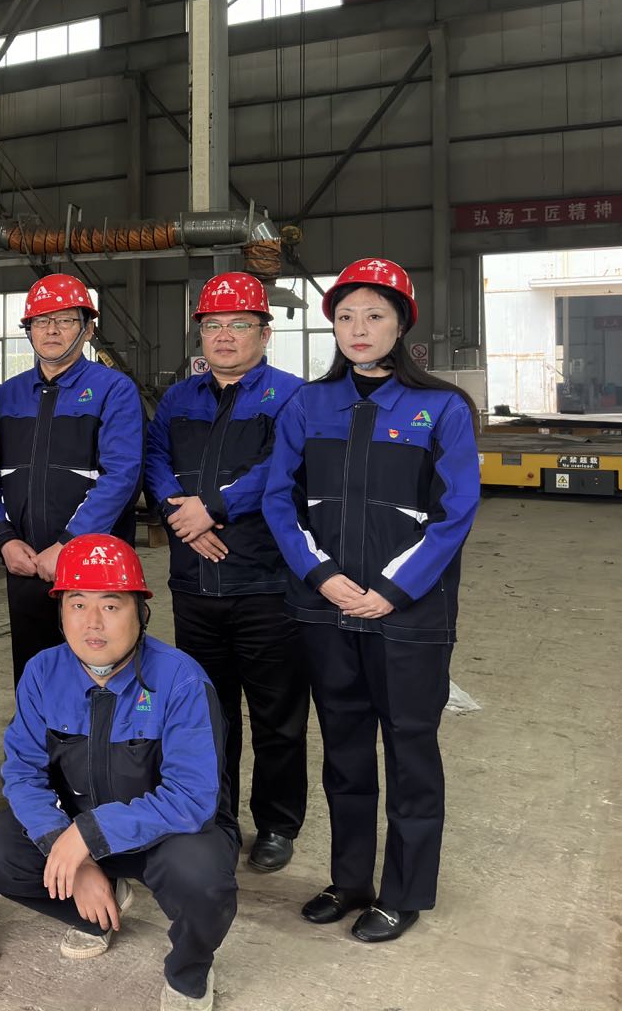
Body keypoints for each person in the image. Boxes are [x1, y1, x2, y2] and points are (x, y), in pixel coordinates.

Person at [263, 257, 480, 943]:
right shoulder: (308, 406)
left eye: (375, 315)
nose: (359, 328)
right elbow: (279, 498)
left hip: (409, 616)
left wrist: (391, 590)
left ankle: (403, 891)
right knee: (345, 749)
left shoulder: (442, 408)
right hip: (326, 610)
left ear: (401, 324)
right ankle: (350, 880)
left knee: (410, 749)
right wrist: (321, 576)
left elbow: (455, 512)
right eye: (346, 316)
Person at [0, 534, 237, 1011]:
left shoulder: (181, 680)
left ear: (141, 612)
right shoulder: (42, 672)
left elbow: (193, 798)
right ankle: (94, 913)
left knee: (203, 879)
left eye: (111, 606)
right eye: (77, 604)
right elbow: (23, 774)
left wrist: (89, 835)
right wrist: (70, 849)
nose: (92, 622)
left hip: (166, 835)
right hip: (80, 827)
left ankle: (189, 970)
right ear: (61, 612)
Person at [144, 272, 309, 874]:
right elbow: (155, 458)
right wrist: (181, 515)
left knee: (277, 715)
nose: (224, 336)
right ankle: (217, 817)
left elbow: (283, 467)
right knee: (208, 715)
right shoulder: (179, 399)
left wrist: (212, 507)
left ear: (265, 333)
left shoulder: (291, 397)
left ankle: (277, 824)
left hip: (266, 583)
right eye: (213, 325)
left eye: (239, 324)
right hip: (195, 586)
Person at [0, 274, 144, 683]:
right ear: (29, 330)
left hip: (94, 567)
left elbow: (121, 476)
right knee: (34, 677)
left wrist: (68, 546)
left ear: (88, 329)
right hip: (25, 564)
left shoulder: (114, 390)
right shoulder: (6, 396)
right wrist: (4, 539)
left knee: (100, 678)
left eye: (65, 320)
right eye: (41, 321)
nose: (51, 330)